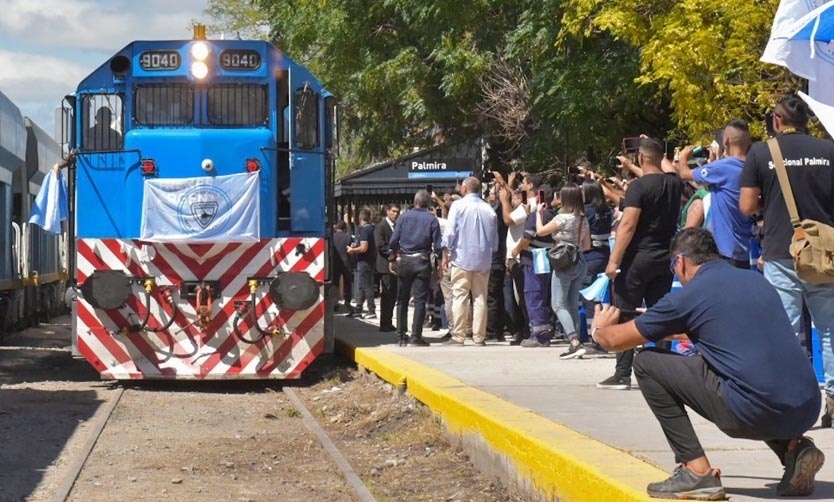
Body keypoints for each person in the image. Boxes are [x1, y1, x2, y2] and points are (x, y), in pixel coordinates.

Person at [592, 228, 824, 499]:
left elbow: (614, 341)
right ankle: (794, 448)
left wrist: (599, 328)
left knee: (646, 363)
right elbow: (718, 330)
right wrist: (660, 323)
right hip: (807, 407)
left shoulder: (688, 295)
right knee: (751, 376)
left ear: (679, 262)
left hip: (752, 412)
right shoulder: (756, 281)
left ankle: (696, 471)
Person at [739, 94, 834, 426]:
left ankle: (792, 401)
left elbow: (747, 205)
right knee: (830, 327)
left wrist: (770, 202)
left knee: (787, 329)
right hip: (824, 254)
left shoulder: (762, 152)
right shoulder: (829, 150)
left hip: (782, 250)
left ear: (777, 120)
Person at [600, 137, 682, 390]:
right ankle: (663, 372)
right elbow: (668, 168)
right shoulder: (674, 183)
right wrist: (654, 149)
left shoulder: (638, 187)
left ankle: (622, 372)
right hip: (664, 257)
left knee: (625, 311)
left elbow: (627, 225)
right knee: (660, 313)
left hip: (637, 258)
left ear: (640, 158)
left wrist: (613, 261)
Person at [678, 119, 754, 268]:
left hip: (725, 252)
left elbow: (684, 174)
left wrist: (682, 157)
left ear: (726, 140)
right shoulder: (753, 167)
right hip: (745, 250)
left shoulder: (724, 167)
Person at [441, 177, 498, 346]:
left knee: (460, 296)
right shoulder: (489, 209)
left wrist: (446, 251)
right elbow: (494, 240)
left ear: (465, 189)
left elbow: (450, 232)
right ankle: (479, 336)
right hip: (483, 259)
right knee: (480, 298)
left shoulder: (458, 206)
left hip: (462, 257)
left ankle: (458, 335)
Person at [536, 183, 590, 359]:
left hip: (564, 262)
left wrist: (538, 213)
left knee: (558, 304)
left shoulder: (562, 218)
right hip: (579, 260)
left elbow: (541, 231)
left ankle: (574, 342)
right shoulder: (583, 219)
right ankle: (577, 343)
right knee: (572, 304)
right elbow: (587, 245)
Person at [389, 191, 442, 346]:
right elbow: (438, 245)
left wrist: (392, 258)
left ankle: (401, 336)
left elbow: (393, 241)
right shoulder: (432, 219)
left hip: (405, 260)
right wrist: (439, 264)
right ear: (428, 203)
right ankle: (416, 336)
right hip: (422, 260)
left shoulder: (403, 217)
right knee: (420, 300)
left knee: (402, 299)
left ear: (414, 201)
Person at [511, 184, 555, 347]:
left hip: (532, 259)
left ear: (538, 197)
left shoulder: (536, 215)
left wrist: (516, 250)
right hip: (548, 258)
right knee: (543, 296)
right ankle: (544, 331)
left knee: (533, 295)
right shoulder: (554, 214)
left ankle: (539, 335)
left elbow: (527, 238)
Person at [374, 203, 400, 332]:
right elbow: (380, 245)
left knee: (393, 295)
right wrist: (392, 255)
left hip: (395, 265)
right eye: (393, 211)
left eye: (397, 212)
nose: (395, 214)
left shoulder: (396, 226)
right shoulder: (381, 226)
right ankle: (384, 323)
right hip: (385, 265)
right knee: (387, 294)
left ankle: (388, 321)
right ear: (388, 211)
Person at [346, 208, 376, 319]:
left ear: (360, 217)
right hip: (369, 260)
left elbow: (364, 248)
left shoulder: (365, 230)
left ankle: (371, 310)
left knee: (366, 286)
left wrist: (352, 250)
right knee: (361, 286)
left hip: (364, 261)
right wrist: (356, 245)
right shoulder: (371, 229)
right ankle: (358, 308)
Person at [330, 221, 353, 312]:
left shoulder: (333, 237)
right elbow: (351, 251)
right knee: (347, 283)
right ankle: (347, 301)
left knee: (335, 283)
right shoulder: (348, 237)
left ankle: (335, 303)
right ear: (345, 228)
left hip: (335, 263)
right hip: (346, 262)